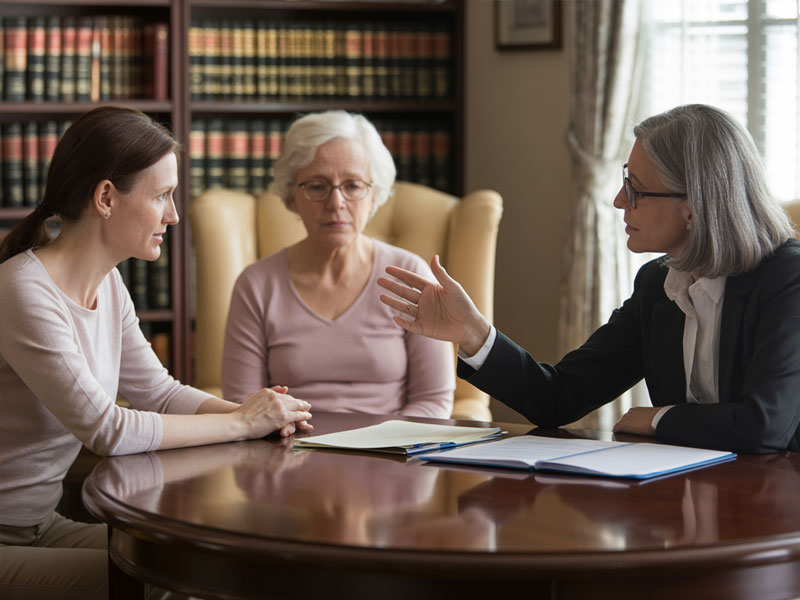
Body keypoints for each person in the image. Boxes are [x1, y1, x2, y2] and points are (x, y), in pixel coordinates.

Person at [0, 106, 312, 600]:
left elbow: (159, 392)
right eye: (163, 195)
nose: (174, 214)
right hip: (5, 541)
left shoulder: (109, 283)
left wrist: (259, 414)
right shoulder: (23, 290)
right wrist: (242, 423)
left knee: (210, 562)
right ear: (106, 197)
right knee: (166, 584)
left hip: (42, 527)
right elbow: (105, 428)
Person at [378, 104, 800, 454]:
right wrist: (473, 332)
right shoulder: (658, 283)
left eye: (635, 189)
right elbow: (558, 398)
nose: (619, 201)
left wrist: (657, 417)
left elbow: (764, 426)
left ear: (693, 207)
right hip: (686, 501)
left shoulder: (787, 278)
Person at [221, 110, 454, 417]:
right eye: (317, 186)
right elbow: (245, 407)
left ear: (375, 196)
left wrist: (387, 448)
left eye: (353, 186)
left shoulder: (409, 276)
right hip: (289, 455)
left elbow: (434, 400)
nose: (336, 203)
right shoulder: (256, 285)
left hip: (392, 455)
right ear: (291, 196)